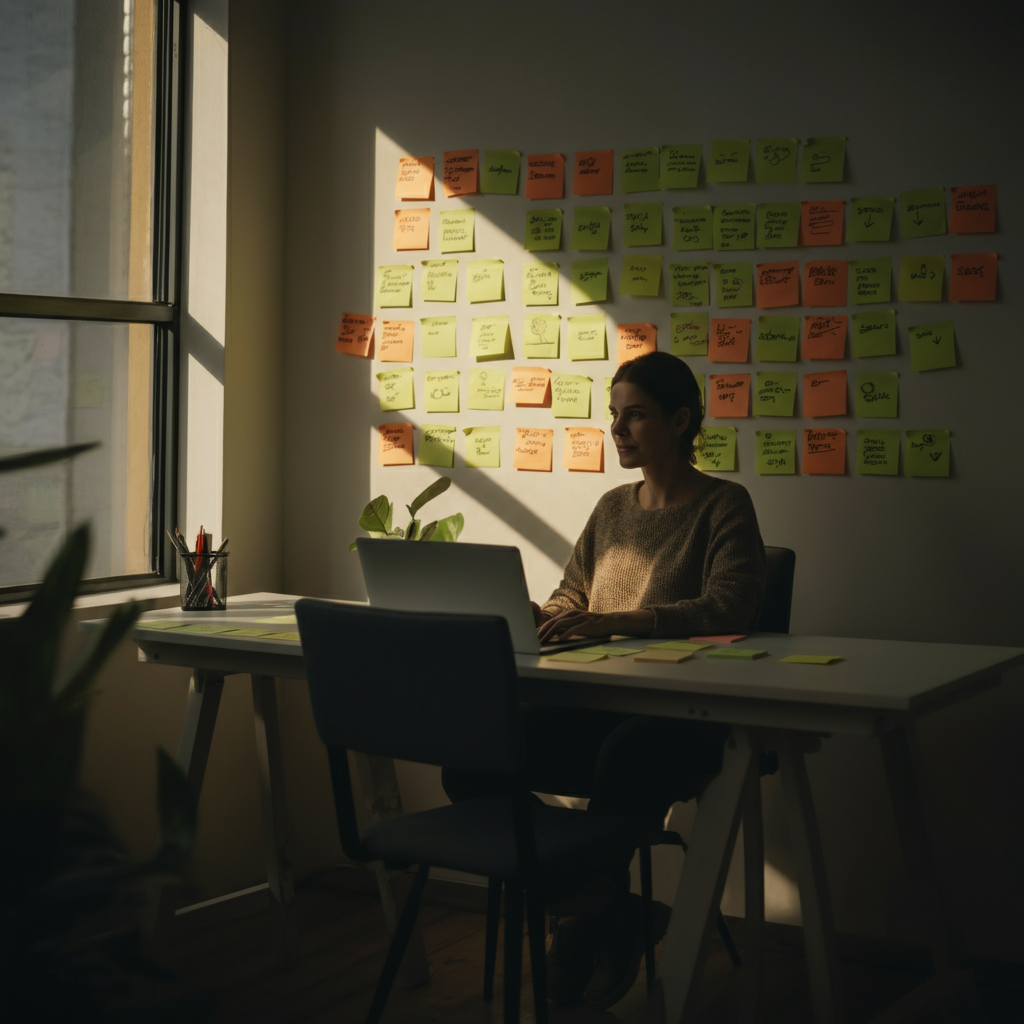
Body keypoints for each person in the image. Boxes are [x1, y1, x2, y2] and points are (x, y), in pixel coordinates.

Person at [443, 351, 766, 1009]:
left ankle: (586, 931)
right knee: (470, 758)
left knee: (627, 754)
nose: (618, 429)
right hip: (601, 704)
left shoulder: (725, 504)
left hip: (685, 719)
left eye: (635, 416)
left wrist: (616, 623)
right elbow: (573, 593)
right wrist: (551, 616)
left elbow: (729, 607)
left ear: (679, 421)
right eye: (614, 416)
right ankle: (605, 908)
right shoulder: (612, 505)